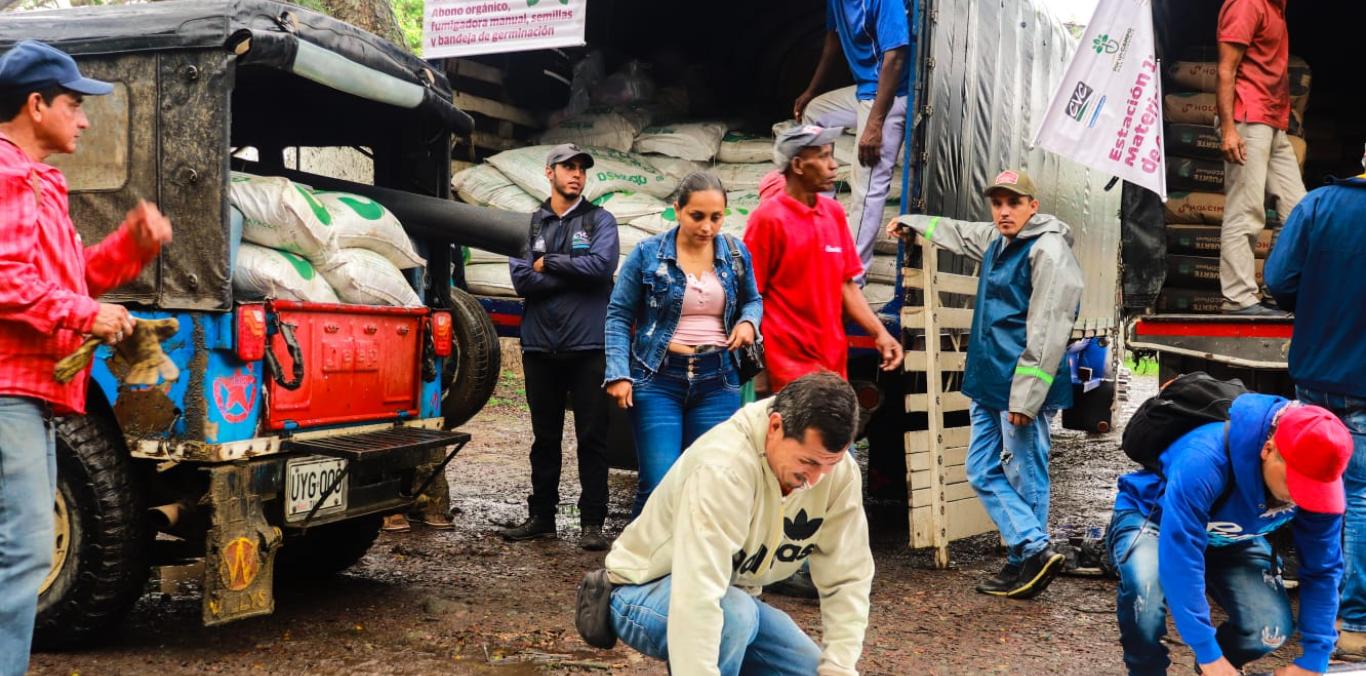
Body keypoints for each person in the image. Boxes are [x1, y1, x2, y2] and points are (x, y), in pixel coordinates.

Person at [0, 40, 172, 675]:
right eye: (73, 103)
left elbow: (70, 280)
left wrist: (132, 247)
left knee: (19, 549)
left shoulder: (40, 182)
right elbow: (4, 279)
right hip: (7, 391)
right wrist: (85, 315)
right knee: (22, 552)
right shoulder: (6, 175)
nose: (84, 117)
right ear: (35, 104)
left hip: (34, 396)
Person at [578, 371, 874, 675]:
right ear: (775, 427)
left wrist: (839, 666)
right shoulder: (724, 468)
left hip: (734, 596)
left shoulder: (837, 472)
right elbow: (698, 594)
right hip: (643, 588)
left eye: (829, 465)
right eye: (808, 462)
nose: (815, 481)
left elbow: (848, 578)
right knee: (732, 615)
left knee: (813, 669)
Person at [887, 169, 1083, 598]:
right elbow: (957, 232)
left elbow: (1049, 330)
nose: (1003, 211)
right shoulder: (998, 240)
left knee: (1025, 472)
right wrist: (914, 222)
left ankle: (1026, 558)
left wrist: (1028, 398)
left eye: (1013, 203)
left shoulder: (1048, 251)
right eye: (997, 203)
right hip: (988, 379)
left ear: (1033, 206)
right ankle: (1029, 549)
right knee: (980, 469)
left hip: (1020, 385)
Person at [1107, 396, 1352, 676]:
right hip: (1156, 520)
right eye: (1294, 483)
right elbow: (1181, 558)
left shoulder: (1320, 482)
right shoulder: (1203, 460)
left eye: (1312, 490)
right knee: (1146, 591)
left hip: (1231, 537)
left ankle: (1218, 669)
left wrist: (1316, 658)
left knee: (1268, 627)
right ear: (1268, 450)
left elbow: (1323, 570)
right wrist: (1206, 649)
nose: (1299, 498)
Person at [604, 172, 762, 517]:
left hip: (718, 381)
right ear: (677, 210)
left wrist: (749, 322)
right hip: (658, 380)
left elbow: (753, 299)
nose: (707, 227)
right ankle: (637, 568)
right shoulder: (647, 254)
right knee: (660, 484)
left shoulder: (736, 253)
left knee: (708, 483)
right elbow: (618, 315)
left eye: (716, 217)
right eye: (697, 216)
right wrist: (618, 373)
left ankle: (693, 567)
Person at [1264, 171, 1366, 659]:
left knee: (1309, 483)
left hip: (1316, 374)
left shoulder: (1318, 204)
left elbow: (1278, 281)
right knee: (1361, 495)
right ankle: (1354, 624)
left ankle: (1311, 612)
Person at [502, 143, 620, 551]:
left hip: (588, 346)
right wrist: (574, 271)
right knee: (545, 438)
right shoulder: (530, 224)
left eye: (581, 169)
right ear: (548, 172)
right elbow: (522, 282)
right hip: (539, 347)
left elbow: (602, 268)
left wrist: (550, 263)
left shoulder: (600, 220)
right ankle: (542, 517)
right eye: (568, 167)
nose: (576, 174)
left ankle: (591, 523)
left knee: (592, 436)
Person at [745, 124, 904, 395]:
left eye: (831, 155)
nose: (833, 165)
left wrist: (879, 332)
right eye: (822, 156)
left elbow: (847, 285)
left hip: (831, 361)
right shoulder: (768, 220)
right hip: (788, 366)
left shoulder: (832, 213)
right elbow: (750, 295)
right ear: (797, 164)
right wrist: (759, 371)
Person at [795, 0, 909, 281]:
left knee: (867, 187)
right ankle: (829, 219)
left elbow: (896, 56)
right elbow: (832, 41)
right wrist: (812, 90)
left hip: (891, 95)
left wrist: (875, 124)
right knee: (815, 113)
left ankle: (850, 281)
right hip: (864, 89)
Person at [1216, 0, 1303, 316]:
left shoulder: (1277, 7)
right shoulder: (1248, 3)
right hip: (1247, 118)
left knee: (1298, 210)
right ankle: (1238, 297)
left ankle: (1272, 287)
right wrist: (1228, 129)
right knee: (1247, 208)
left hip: (1273, 121)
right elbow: (1226, 67)